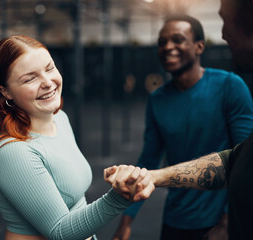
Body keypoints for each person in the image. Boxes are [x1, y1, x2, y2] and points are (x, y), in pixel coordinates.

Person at [0, 34, 155, 240]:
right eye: (30, 78)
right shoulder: (13, 151)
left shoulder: (59, 119)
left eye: (49, 68)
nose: (47, 82)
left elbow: (75, 202)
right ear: (6, 92)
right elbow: (60, 232)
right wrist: (119, 197)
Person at [107, 2, 253, 239]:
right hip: (175, 219)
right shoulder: (157, 99)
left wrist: (226, 222)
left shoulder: (229, 86)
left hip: (219, 222)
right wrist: (126, 220)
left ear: (199, 46)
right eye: (162, 42)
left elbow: (243, 161)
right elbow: (149, 159)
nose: (168, 47)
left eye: (177, 40)